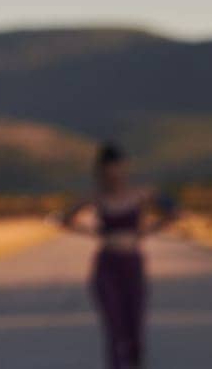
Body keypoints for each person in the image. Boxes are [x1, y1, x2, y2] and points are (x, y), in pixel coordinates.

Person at [53, 142, 170, 368]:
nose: (113, 173)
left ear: (124, 168)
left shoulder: (140, 194)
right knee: (115, 332)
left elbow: (174, 211)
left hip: (132, 265)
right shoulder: (96, 197)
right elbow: (64, 219)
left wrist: (146, 231)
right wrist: (94, 232)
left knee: (134, 331)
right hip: (107, 267)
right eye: (108, 169)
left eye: (116, 167)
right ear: (101, 171)